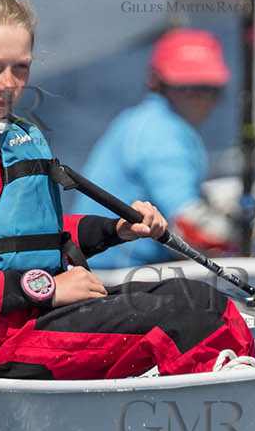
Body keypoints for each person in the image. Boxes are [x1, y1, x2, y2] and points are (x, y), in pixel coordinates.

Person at [0, 0, 255, 388]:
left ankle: (224, 399)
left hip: (27, 321)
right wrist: (48, 289)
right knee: (192, 318)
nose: (8, 84)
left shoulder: (4, 134)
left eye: (20, 68)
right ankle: (224, 419)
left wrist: (116, 229)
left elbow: (35, 237)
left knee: (201, 298)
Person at [69, 28, 236, 268]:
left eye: (209, 88)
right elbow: (193, 227)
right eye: (187, 88)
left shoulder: (142, 120)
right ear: (158, 83)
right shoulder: (161, 132)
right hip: (117, 275)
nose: (201, 99)